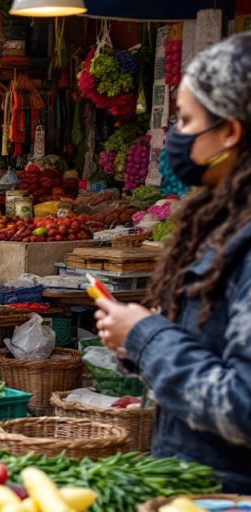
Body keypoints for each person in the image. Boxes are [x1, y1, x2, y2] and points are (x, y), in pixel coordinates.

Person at [93, 33, 251, 493]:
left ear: (230, 132)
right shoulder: (227, 217)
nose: (176, 137)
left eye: (185, 120)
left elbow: (242, 404)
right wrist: (138, 339)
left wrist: (147, 337)